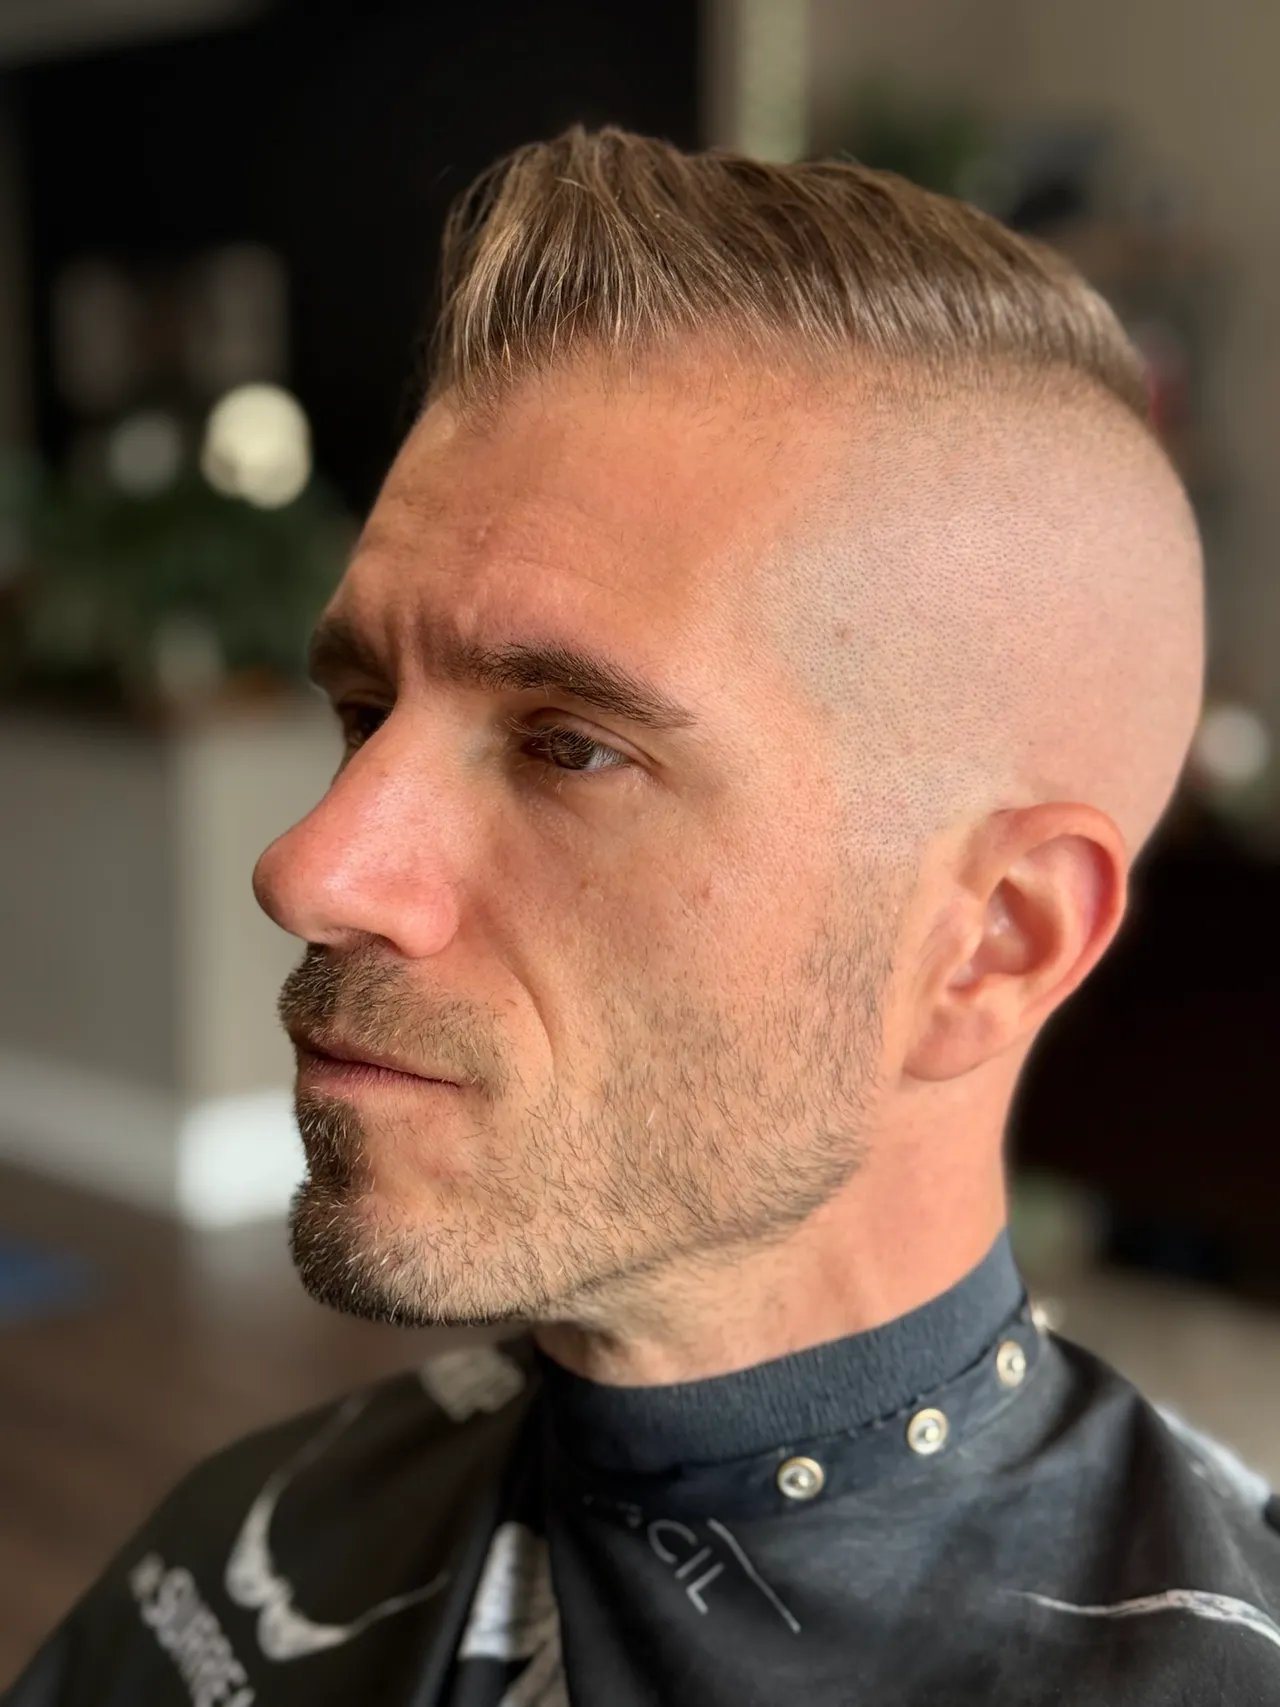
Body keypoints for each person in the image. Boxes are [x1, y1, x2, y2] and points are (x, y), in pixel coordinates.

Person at [7, 124, 1277, 1707]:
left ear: (993, 942)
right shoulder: (246, 1568)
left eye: (570, 747)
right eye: (363, 710)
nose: (313, 867)